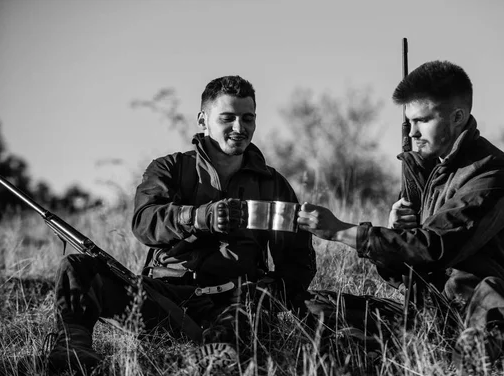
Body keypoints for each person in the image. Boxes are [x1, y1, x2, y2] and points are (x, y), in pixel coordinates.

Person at [48, 75, 316, 371]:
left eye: (248, 118)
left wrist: (265, 295)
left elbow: (297, 262)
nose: (239, 128)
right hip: (162, 298)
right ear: (203, 119)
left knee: (236, 333)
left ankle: (194, 362)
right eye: (227, 118)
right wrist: (197, 217)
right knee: (77, 267)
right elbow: (144, 222)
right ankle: (73, 350)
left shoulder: (273, 184)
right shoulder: (170, 168)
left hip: (236, 303)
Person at [297, 61, 504, 373]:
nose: (412, 132)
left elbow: (433, 248)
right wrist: (398, 233)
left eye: (423, 120)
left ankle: (466, 354)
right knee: (315, 305)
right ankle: (383, 351)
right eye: (409, 121)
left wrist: (342, 231)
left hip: (479, 308)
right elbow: (410, 271)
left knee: (494, 296)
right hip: (428, 312)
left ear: (458, 117)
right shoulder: (432, 174)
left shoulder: (494, 177)